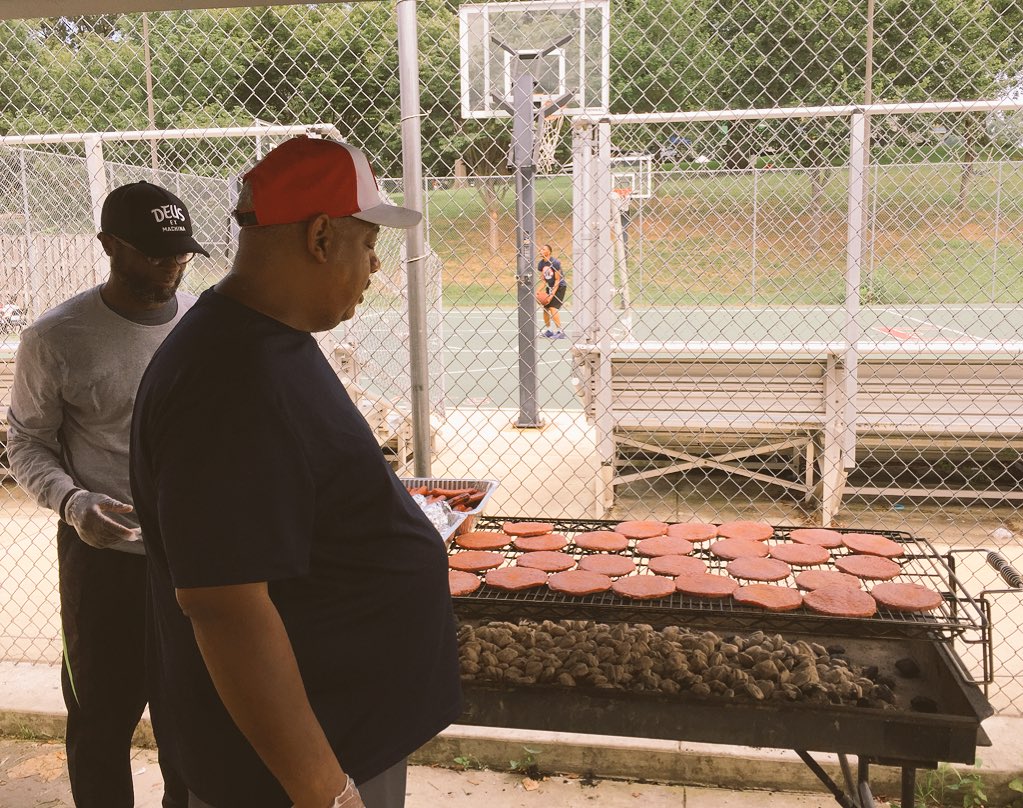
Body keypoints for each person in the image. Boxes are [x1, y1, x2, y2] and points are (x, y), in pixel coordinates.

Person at [129, 136, 462, 808]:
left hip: (340, 735)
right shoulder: (230, 380)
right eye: (367, 242)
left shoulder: (264, 340)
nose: (375, 264)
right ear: (320, 237)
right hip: (292, 773)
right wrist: (323, 791)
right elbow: (225, 606)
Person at [6, 181, 208, 808]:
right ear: (109, 245)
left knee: (192, 725)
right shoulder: (56, 337)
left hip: (194, 561)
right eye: (154, 254)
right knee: (99, 722)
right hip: (102, 562)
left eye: (181, 253)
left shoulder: (205, 323)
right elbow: (25, 442)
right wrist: (73, 503)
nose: (171, 266)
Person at [536, 243, 567, 339]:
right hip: (550, 287)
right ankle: (549, 331)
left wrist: (551, 295)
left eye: (543, 249)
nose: (541, 251)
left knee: (553, 308)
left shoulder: (555, 263)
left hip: (559, 287)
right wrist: (537, 291)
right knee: (545, 308)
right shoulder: (541, 264)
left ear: (549, 252)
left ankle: (560, 332)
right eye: (540, 249)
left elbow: (557, 280)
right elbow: (544, 280)